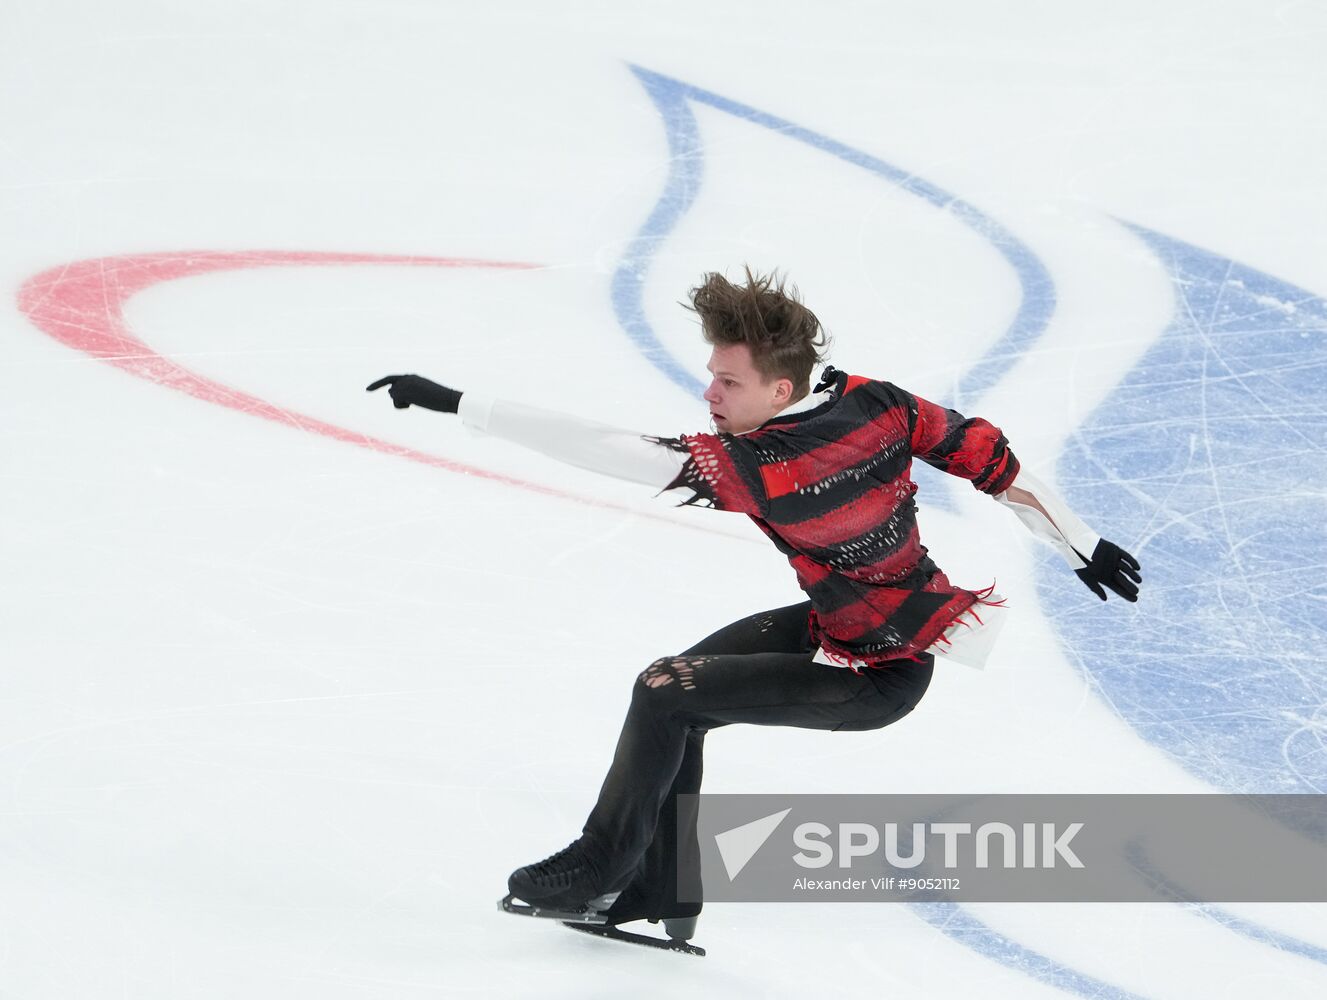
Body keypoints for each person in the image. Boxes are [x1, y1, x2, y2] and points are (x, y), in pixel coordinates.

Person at [367, 268, 1141, 941]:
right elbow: (989, 460)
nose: (709, 394)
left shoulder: (754, 462)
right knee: (676, 691)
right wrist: (1080, 544)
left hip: (879, 675)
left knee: (666, 691)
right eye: (712, 375)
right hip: (836, 626)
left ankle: (601, 867)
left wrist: (464, 405)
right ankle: (660, 888)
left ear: (780, 389)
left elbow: (605, 447)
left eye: (727, 383)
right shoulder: (875, 403)